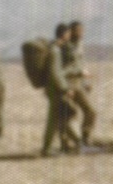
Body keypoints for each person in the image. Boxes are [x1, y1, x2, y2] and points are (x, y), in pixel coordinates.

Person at [41, 23, 81, 157]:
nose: (69, 36)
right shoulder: (55, 51)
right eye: (68, 33)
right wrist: (65, 89)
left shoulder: (54, 48)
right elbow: (55, 73)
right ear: (64, 34)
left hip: (54, 89)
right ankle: (78, 142)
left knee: (57, 119)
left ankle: (48, 148)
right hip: (56, 90)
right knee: (63, 117)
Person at [65, 20, 96, 146]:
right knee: (70, 115)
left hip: (78, 84)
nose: (81, 33)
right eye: (78, 31)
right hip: (67, 85)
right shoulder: (65, 47)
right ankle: (69, 143)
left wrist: (86, 82)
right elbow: (63, 70)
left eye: (82, 30)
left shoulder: (80, 45)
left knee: (91, 111)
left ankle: (85, 138)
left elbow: (81, 64)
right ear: (71, 32)